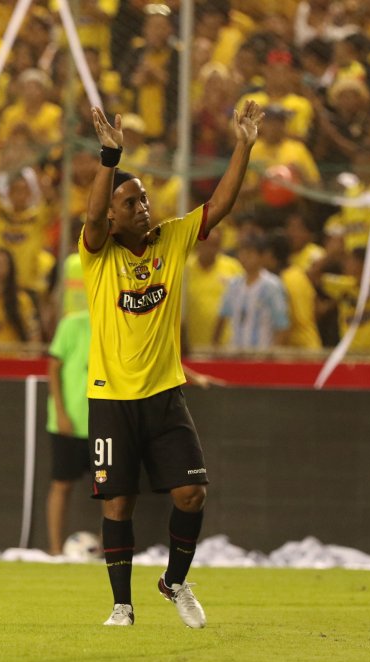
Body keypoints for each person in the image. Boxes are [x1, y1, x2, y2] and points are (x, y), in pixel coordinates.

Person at [82, 101, 262, 628]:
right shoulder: (98, 254)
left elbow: (222, 202)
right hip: (111, 397)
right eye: (130, 201)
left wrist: (244, 145)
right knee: (117, 504)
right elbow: (91, 217)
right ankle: (121, 606)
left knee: (191, 492)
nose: (143, 206)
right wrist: (109, 158)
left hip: (164, 393)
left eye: (143, 198)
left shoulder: (173, 239)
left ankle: (175, 580)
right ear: (114, 216)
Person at [46, 309, 91, 555]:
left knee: (113, 492)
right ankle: (55, 551)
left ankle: (109, 552)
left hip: (105, 425)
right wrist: (61, 413)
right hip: (69, 422)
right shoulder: (73, 324)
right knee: (61, 485)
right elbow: (53, 368)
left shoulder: (122, 324)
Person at [213, 234, 290, 349]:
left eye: (249, 253)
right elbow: (222, 318)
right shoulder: (234, 285)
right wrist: (215, 345)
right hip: (235, 354)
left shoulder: (272, 286)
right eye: (242, 253)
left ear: (262, 256)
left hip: (262, 355)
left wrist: (273, 354)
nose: (244, 258)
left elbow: (282, 326)